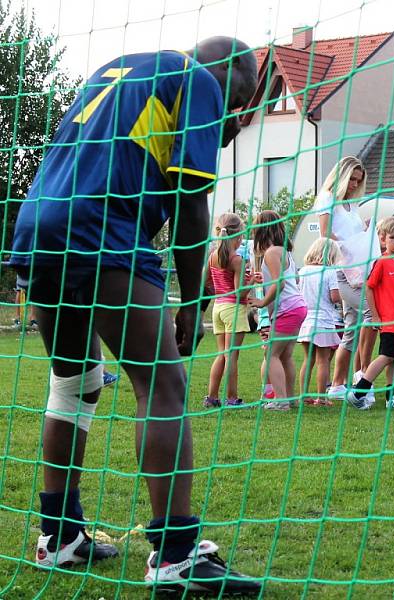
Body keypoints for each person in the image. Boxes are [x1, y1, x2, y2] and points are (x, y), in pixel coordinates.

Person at [9, 37, 260, 594]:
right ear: (231, 71)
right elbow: (192, 204)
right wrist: (193, 303)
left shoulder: (120, 69)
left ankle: (61, 536)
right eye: (242, 93)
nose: (238, 108)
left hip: (39, 222)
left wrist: (204, 131)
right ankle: (176, 554)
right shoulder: (199, 80)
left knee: (73, 383)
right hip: (102, 226)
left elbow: (123, 146)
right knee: (163, 382)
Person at [313, 157, 378, 400]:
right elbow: (325, 235)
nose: (353, 185)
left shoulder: (353, 204)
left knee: (351, 328)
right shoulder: (328, 198)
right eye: (351, 179)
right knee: (372, 315)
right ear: (341, 176)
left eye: (358, 181)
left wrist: (366, 229)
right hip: (343, 269)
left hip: (360, 268)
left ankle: (339, 385)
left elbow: (354, 233)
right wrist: (350, 245)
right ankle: (362, 376)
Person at [346, 217, 394, 410]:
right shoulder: (382, 262)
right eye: (392, 237)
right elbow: (369, 288)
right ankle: (358, 392)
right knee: (385, 356)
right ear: (383, 240)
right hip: (389, 321)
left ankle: (392, 397)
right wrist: (375, 316)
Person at [249, 210, 307, 410]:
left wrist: (262, 302)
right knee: (284, 356)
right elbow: (293, 280)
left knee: (271, 355)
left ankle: (281, 400)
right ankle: (290, 398)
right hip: (297, 306)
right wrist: (264, 279)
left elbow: (280, 284)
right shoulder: (284, 251)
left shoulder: (271, 252)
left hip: (288, 308)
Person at [203, 213, 252, 408]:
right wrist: (251, 282)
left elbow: (206, 282)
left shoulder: (212, 256)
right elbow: (240, 293)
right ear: (239, 236)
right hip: (233, 309)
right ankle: (232, 399)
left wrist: (220, 292)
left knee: (221, 354)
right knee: (232, 356)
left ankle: (212, 397)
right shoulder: (236, 259)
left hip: (218, 308)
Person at [297, 237, 343, 406]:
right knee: (323, 361)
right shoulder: (330, 272)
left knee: (307, 359)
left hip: (305, 320)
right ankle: (321, 398)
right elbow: (334, 297)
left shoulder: (303, 271)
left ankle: (303, 395)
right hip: (323, 320)